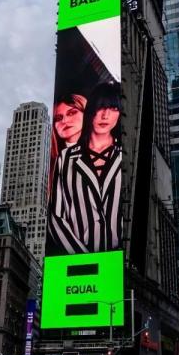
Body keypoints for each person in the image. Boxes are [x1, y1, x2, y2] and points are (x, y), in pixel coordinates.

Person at [48, 83, 122, 255]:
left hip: (120, 261)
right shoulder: (65, 158)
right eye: (100, 108)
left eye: (113, 108)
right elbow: (56, 218)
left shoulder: (123, 156)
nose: (105, 115)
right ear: (90, 111)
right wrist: (82, 256)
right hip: (78, 260)